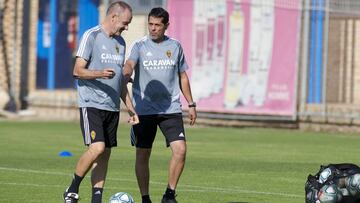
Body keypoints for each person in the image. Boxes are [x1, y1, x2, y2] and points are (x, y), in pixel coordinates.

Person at [63, 2, 138, 203]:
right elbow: (77, 71)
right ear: (113, 17)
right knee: (97, 148)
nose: (126, 27)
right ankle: (72, 189)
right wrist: (100, 74)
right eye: (125, 22)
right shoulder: (92, 35)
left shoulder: (121, 43)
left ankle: (97, 198)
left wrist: (131, 109)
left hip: (111, 107)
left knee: (104, 155)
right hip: (91, 103)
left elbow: (120, 81)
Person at [123, 7, 197, 203]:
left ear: (166, 26)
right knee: (143, 153)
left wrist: (191, 103)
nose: (153, 28)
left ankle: (169, 195)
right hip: (144, 110)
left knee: (180, 149)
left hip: (170, 109)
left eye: (157, 25)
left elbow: (183, 76)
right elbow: (130, 63)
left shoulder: (175, 46)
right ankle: (145, 198)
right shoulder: (139, 45)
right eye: (150, 24)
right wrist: (126, 72)